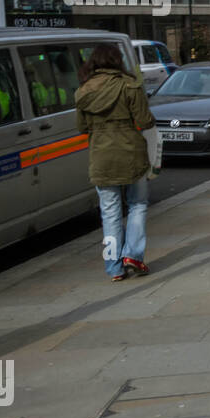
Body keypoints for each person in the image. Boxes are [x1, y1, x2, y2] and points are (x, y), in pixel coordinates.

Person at [75, 44, 155, 282]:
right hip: (131, 152)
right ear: (117, 61)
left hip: (100, 155)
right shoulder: (129, 85)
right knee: (137, 204)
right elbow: (145, 120)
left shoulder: (83, 91)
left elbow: (81, 127)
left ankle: (114, 267)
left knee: (109, 212)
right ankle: (133, 255)